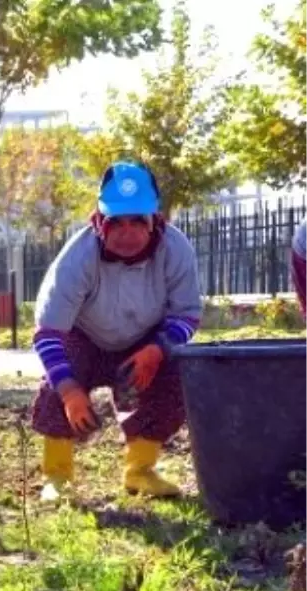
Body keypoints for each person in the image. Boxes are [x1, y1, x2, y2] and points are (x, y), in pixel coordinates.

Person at [30, 161, 202, 501]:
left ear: (156, 220)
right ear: (99, 220)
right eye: (116, 222)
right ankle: (57, 476)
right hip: (83, 338)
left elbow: (187, 316)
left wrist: (158, 349)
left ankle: (140, 471)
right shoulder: (76, 258)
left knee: (173, 375)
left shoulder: (177, 250)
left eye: (138, 221)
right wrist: (69, 392)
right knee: (58, 376)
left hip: (143, 342)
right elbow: (48, 332)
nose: (127, 234)